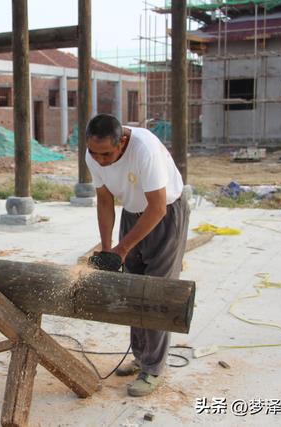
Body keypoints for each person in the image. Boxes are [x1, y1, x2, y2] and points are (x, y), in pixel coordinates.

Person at [85, 114, 189, 397]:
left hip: (165, 216)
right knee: (133, 288)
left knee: (154, 291)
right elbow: (105, 200)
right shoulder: (92, 155)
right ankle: (141, 354)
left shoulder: (144, 148)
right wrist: (107, 249)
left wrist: (122, 249)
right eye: (94, 153)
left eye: (106, 154)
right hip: (132, 214)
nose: (100, 160)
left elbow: (157, 208)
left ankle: (153, 368)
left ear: (122, 142)